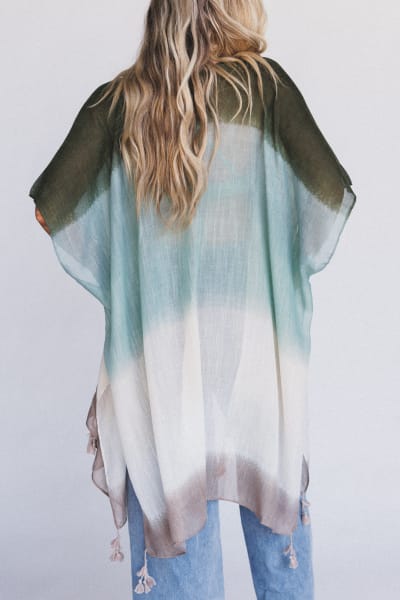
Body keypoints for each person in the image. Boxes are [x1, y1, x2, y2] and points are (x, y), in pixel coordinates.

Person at [30, 1, 356, 598]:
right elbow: (331, 197)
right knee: (276, 520)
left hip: (162, 362)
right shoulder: (265, 90)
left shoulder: (118, 103)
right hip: (253, 355)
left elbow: (49, 209)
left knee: (177, 528)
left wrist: (133, 264)